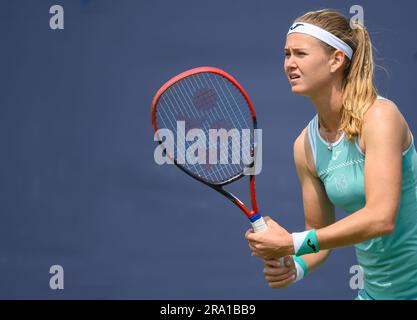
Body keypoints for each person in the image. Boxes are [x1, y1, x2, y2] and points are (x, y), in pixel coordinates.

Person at [245, 9, 417, 300]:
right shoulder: (305, 146)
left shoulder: (380, 118)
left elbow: (380, 218)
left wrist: (291, 242)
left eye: (300, 53)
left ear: (336, 60)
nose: (290, 64)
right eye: (287, 54)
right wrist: (295, 266)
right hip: (376, 294)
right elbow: (319, 236)